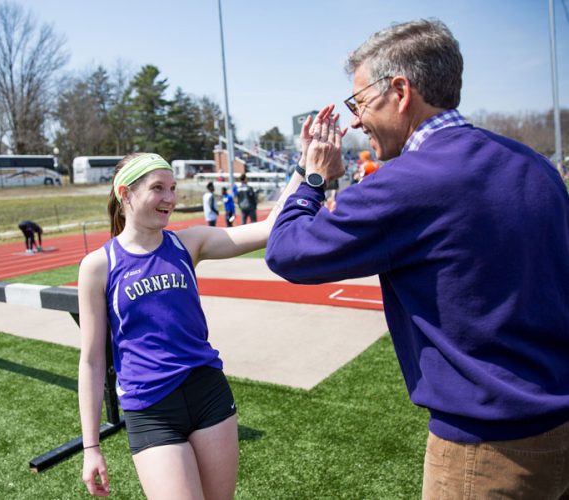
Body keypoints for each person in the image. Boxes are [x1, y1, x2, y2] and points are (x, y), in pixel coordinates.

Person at [265, 19, 569, 498]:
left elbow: (287, 251)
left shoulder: (409, 181)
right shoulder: (532, 163)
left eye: (360, 102)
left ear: (400, 91)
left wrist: (313, 177)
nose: (357, 121)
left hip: (488, 447)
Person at [77, 106, 342, 498]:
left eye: (172, 188)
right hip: (150, 409)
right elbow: (93, 359)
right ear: (125, 193)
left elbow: (270, 229)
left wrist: (304, 165)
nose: (170, 198)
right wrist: (91, 446)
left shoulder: (189, 242)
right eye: (158, 189)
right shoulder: (99, 265)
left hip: (207, 394)